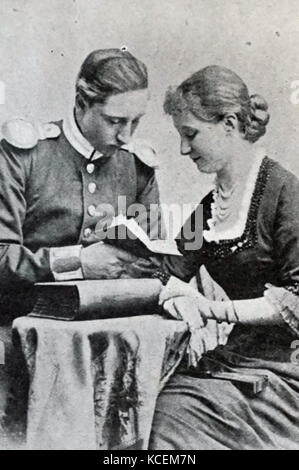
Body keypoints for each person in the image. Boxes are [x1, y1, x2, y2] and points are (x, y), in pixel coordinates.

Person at [0, 48, 164, 436]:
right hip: (18, 332)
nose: (126, 136)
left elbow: (155, 259)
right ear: (81, 103)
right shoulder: (24, 156)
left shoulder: (137, 167)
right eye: (114, 121)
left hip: (111, 339)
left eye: (136, 122)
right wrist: (78, 262)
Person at [150, 65, 299, 450]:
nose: (183, 149)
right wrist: (173, 295)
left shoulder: (286, 194)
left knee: (169, 425)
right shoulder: (209, 208)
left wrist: (212, 310)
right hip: (233, 361)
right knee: (149, 410)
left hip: (286, 373)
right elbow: (168, 272)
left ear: (229, 123)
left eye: (190, 134)